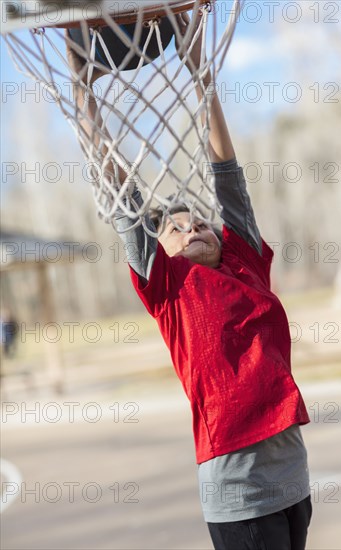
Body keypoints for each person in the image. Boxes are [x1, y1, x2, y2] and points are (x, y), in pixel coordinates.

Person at [67, 11, 312, 549]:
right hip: (238, 483)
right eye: (175, 228)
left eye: (199, 221)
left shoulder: (243, 258)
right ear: (163, 250)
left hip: (292, 468)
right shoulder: (169, 286)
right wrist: (84, 93)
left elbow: (228, 173)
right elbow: (122, 201)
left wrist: (201, 72)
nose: (193, 226)